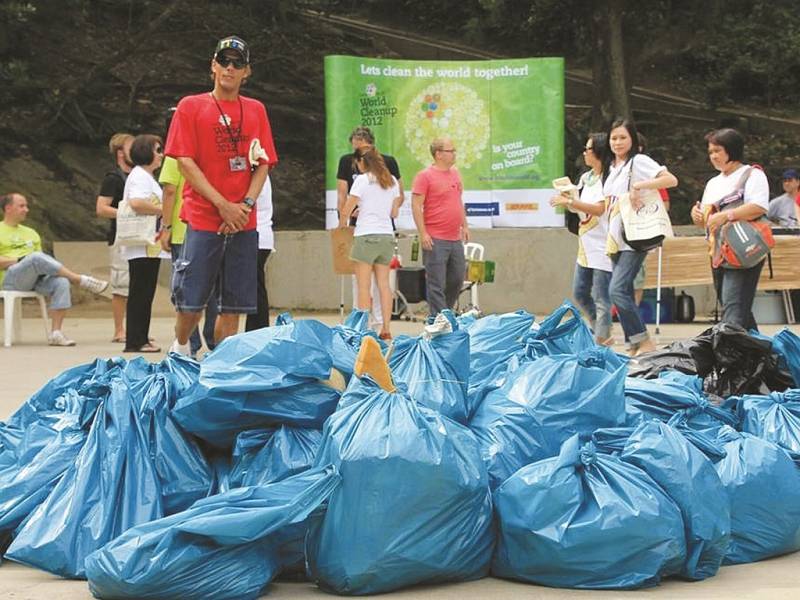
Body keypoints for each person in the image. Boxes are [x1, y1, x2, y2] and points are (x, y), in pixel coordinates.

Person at [165, 35, 277, 354]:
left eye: (237, 63)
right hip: (204, 217)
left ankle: (221, 365)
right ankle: (182, 345)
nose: (229, 68)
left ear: (246, 72)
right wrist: (222, 205)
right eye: (224, 61)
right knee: (191, 304)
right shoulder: (191, 106)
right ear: (213, 66)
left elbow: (263, 163)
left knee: (234, 306)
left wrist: (244, 205)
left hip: (243, 219)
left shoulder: (255, 110)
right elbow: (185, 162)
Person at [603, 119, 678, 356]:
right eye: (614, 138)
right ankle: (633, 343)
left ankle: (644, 341)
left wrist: (639, 186)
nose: (617, 142)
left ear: (632, 140)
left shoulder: (640, 161)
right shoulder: (613, 167)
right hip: (615, 236)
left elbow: (670, 179)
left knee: (617, 289)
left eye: (622, 137)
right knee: (621, 291)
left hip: (634, 235)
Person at [0, 193, 108, 346]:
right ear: (8, 208)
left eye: (26, 206)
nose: (26, 209)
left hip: (35, 279)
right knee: (35, 257)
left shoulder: (31, 233)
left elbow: (41, 262)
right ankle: (79, 279)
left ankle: (56, 333)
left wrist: (33, 262)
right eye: (21, 206)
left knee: (61, 282)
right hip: (9, 279)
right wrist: (20, 260)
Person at [691, 128, 769, 330]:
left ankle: (734, 357)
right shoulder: (713, 182)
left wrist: (727, 215)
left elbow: (759, 206)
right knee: (735, 307)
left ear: (732, 150)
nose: (713, 156)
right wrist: (698, 217)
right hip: (718, 252)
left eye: (718, 150)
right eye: (710, 152)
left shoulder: (752, 174)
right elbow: (709, 220)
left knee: (733, 308)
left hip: (742, 250)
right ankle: (761, 355)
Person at [160, 110, 217, 357]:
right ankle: (214, 340)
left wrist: (166, 227)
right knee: (213, 288)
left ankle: (188, 344)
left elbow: (170, 191)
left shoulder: (175, 156)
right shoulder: (208, 151)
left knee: (187, 292)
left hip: (184, 232)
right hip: (209, 229)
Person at [336, 126, 403, 328]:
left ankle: (362, 327)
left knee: (363, 286)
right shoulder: (390, 180)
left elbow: (346, 208)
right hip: (386, 236)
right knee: (384, 284)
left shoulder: (362, 181)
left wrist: (342, 226)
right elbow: (394, 211)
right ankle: (386, 327)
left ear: (363, 163)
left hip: (365, 234)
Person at [550, 132, 613, 345]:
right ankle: (599, 328)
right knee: (580, 292)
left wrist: (570, 203)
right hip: (586, 243)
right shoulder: (586, 178)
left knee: (602, 297)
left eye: (588, 149)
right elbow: (580, 205)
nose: (585, 153)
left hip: (605, 243)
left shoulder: (610, 178)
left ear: (599, 152)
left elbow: (599, 209)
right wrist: (567, 197)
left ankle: (601, 339)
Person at [411, 138, 470, 317]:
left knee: (457, 278)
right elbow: (416, 205)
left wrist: (465, 225)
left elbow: (457, 201)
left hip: (454, 237)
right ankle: (439, 319)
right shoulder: (425, 176)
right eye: (450, 151)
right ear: (438, 154)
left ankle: (444, 314)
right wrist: (423, 233)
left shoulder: (455, 174)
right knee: (436, 282)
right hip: (435, 237)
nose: (454, 154)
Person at [121, 134, 167, 353]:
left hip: (149, 244)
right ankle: (136, 340)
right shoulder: (140, 175)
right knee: (141, 291)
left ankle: (141, 336)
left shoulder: (146, 176)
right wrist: (165, 210)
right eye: (157, 150)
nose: (161, 155)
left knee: (144, 291)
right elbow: (137, 203)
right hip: (141, 243)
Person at [95, 132, 134, 342]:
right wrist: (127, 213)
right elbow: (101, 208)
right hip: (120, 237)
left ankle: (136, 327)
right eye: (131, 147)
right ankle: (119, 329)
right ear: (120, 153)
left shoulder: (140, 176)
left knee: (137, 283)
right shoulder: (113, 178)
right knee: (120, 284)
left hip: (140, 237)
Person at [245, 175, 275, 331]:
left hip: (257, 235)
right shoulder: (259, 174)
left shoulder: (257, 175)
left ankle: (258, 331)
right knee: (255, 288)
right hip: (259, 236)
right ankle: (255, 330)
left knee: (256, 289)